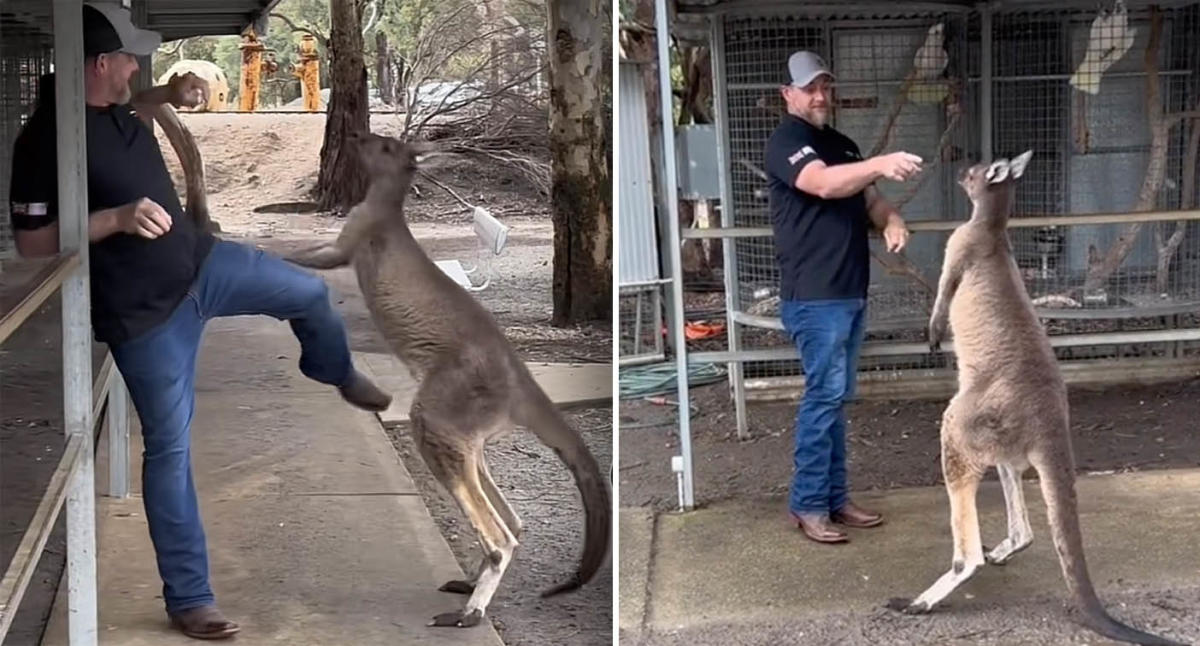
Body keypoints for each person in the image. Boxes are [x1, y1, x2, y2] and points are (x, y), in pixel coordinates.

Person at [6, 3, 392, 639]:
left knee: (310, 294)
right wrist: (113, 219)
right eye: (130, 58)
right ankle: (190, 599)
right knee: (171, 450)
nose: (138, 66)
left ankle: (335, 370)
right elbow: (32, 245)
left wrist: (170, 91)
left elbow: (132, 101)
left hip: (203, 266)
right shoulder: (42, 140)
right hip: (146, 318)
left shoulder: (115, 106)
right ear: (100, 64)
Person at [764, 50, 923, 545]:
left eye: (823, 87)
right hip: (814, 297)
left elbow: (868, 197)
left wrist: (892, 218)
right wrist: (881, 161)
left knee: (836, 399)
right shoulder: (788, 141)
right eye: (808, 88)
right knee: (823, 398)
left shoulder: (844, 144)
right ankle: (808, 504)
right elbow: (824, 185)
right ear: (788, 94)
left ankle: (834, 498)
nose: (818, 96)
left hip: (849, 292)